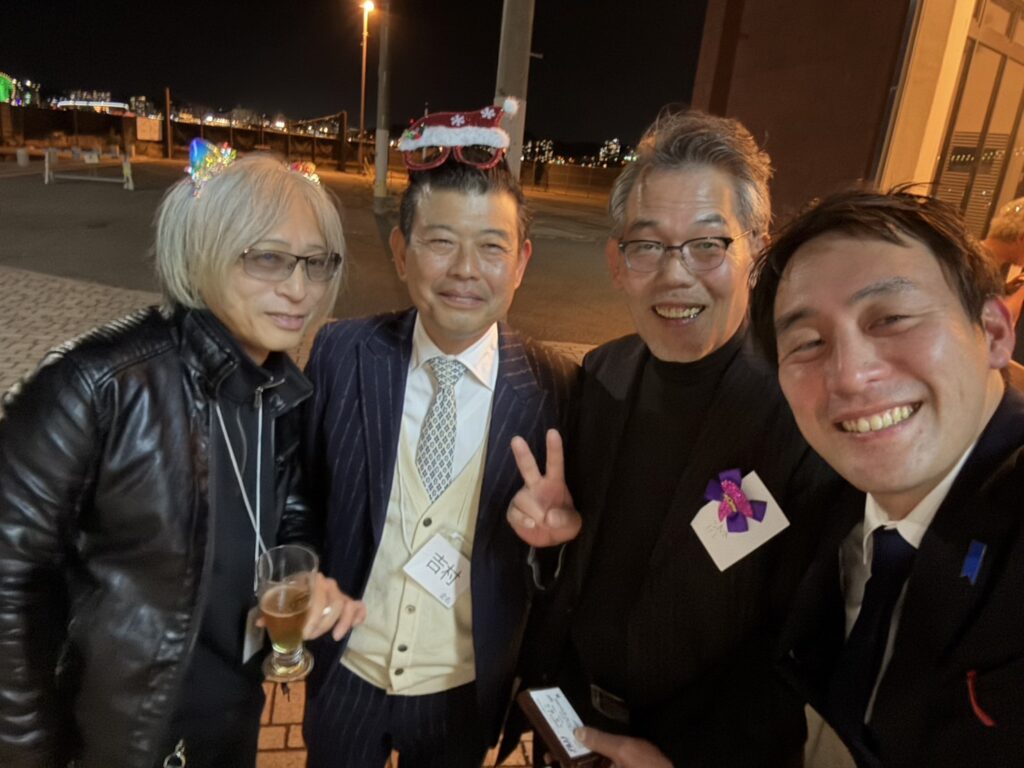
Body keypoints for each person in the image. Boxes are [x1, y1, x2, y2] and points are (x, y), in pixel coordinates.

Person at [0, 142, 364, 768]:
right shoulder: (101, 384)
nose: (298, 289)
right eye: (268, 259)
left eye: (316, 263)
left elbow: (286, 510)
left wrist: (298, 575)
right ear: (204, 252)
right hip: (115, 737)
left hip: (228, 715)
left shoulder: (275, 388)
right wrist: (28, 753)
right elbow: (10, 577)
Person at [506, 110, 838, 767]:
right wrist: (546, 546)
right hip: (573, 728)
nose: (676, 274)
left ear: (757, 252)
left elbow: (805, 642)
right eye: (648, 245)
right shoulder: (602, 374)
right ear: (618, 261)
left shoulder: (801, 413)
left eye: (708, 244)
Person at [300, 102, 576, 768]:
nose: (465, 270)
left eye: (492, 247)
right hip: (347, 671)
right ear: (401, 253)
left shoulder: (557, 389)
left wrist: (554, 547)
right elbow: (299, 492)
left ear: (521, 263)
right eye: (441, 241)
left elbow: (560, 571)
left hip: (462, 692)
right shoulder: (341, 353)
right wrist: (302, 574)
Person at [748, 188, 1024, 767]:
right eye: (808, 343)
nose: (850, 375)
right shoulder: (819, 504)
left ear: (994, 332)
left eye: (892, 319)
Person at [982, 196, 1024, 362]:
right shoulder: (976, 265)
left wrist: (1008, 289)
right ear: (1022, 238)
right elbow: (992, 323)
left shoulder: (985, 261)